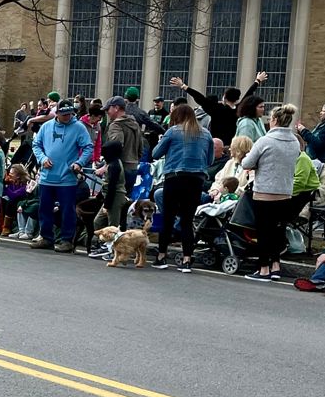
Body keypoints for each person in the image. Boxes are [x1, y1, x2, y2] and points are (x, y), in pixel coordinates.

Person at [149, 104, 214, 273]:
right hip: (196, 180)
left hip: (175, 177)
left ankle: (161, 256)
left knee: (168, 218)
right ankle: (187, 259)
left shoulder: (173, 131)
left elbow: (155, 154)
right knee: (187, 220)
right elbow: (210, 160)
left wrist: (161, 141)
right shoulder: (206, 133)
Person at [240, 104, 300, 281]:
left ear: (274, 120)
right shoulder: (295, 141)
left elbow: (246, 163)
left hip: (265, 191)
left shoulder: (265, 141)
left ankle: (263, 268)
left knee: (264, 232)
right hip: (285, 191)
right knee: (278, 231)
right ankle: (276, 265)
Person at [29, 100, 93, 252]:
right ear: (57, 113)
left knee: (67, 210)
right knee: (44, 209)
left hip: (67, 177)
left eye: (70, 114)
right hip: (47, 176)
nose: (67, 117)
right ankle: (46, 238)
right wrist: (42, 159)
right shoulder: (46, 126)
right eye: (64, 114)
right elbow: (36, 145)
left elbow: (88, 147)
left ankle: (67, 240)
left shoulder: (78, 127)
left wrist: (79, 162)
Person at [169, 72, 265, 146]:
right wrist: (257, 81)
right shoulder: (239, 110)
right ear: (237, 99)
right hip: (232, 144)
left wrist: (183, 86)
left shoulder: (217, 109)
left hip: (217, 144)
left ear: (224, 97)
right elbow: (248, 94)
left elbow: (200, 98)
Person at [99, 96, 142, 195]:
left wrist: (106, 166)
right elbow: (140, 147)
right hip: (133, 168)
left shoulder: (116, 125)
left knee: (113, 203)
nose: (107, 113)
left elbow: (115, 148)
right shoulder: (135, 124)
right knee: (125, 203)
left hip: (119, 170)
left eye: (108, 109)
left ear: (116, 108)